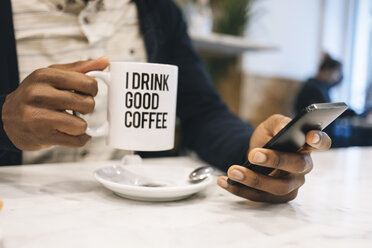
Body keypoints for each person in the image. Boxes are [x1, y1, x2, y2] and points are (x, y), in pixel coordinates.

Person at [0, 0, 331, 203]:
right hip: (22, 206)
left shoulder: (157, 10)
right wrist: (4, 120)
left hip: (141, 206)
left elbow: (203, 111)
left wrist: (255, 151)